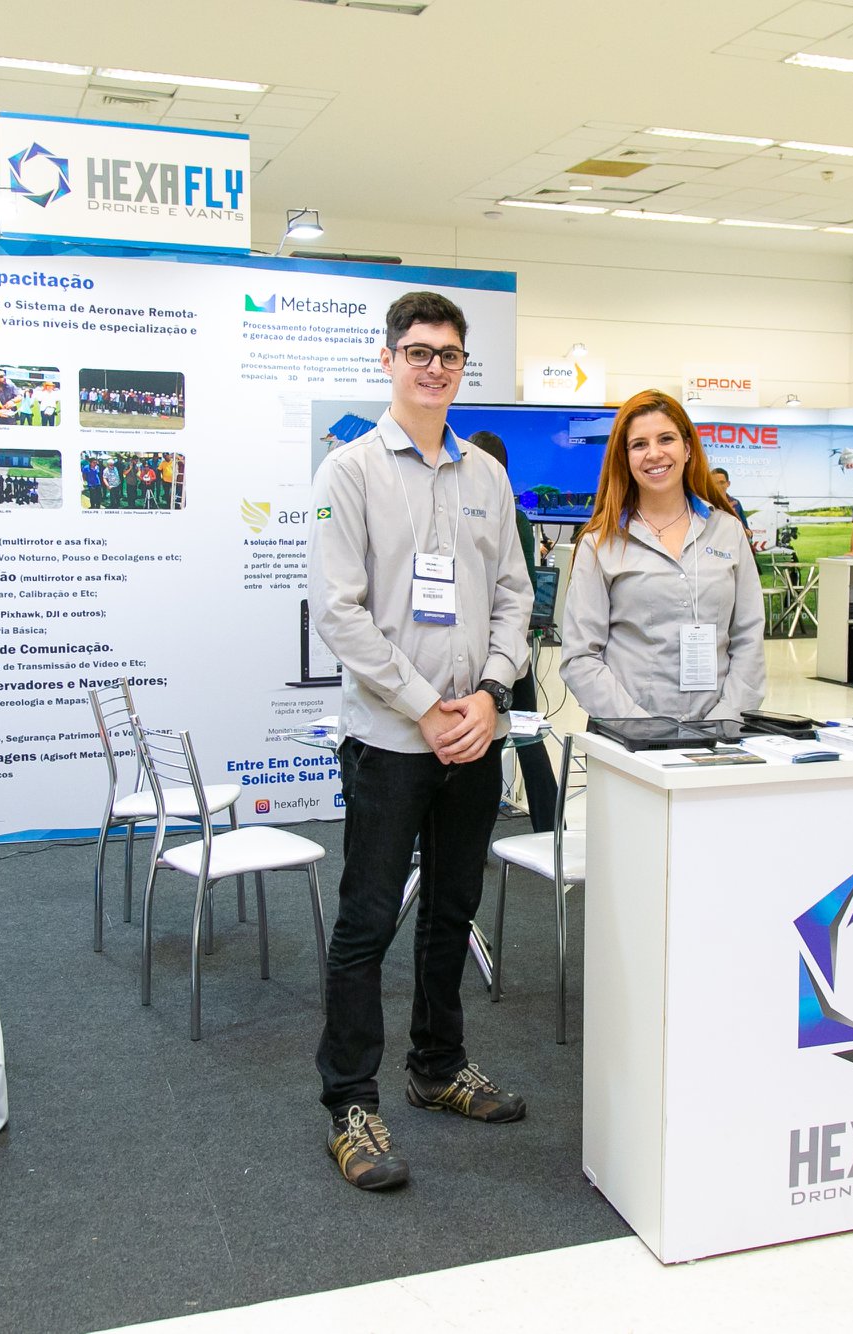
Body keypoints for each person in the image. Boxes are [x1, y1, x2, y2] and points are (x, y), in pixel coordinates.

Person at [307, 290, 532, 1193]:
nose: (434, 367)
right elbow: (339, 614)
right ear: (389, 359)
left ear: (463, 365)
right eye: (418, 351)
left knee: (450, 909)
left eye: (449, 354)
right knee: (367, 921)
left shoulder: (488, 478)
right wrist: (424, 706)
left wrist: (488, 693)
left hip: (474, 736)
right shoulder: (350, 473)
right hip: (391, 742)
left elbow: (514, 596)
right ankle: (349, 1103)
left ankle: (437, 1067)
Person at [561, 390, 766, 723]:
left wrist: (726, 719)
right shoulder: (600, 543)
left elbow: (749, 638)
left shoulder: (727, 531)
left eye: (666, 439)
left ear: (687, 448)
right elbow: (580, 657)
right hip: (627, 736)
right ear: (625, 457)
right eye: (639, 444)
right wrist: (641, 728)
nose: (654, 453)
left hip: (718, 734)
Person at [469, 430, 560, 834]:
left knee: (485, 746)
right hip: (511, 649)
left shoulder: (495, 515)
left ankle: (474, 842)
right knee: (527, 738)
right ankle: (550, 835)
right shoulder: (516, 517)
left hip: (484, 652)